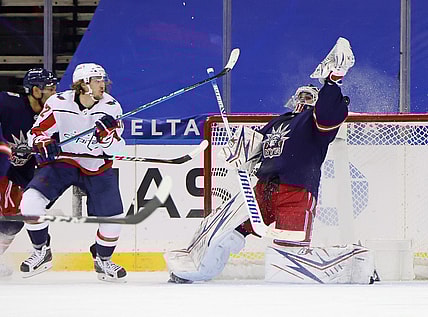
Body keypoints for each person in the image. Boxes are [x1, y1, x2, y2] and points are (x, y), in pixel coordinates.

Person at [167, 37, 376, 284]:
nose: (304, 101)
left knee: (289, 262)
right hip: (261, 191)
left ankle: (356, 263)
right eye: (302, 97)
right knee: (221, 231)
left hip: (295, 192)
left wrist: (332, 82)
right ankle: (197, 269)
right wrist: (237, 150)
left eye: (311, 97)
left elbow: (330, 114)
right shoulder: (278, 122)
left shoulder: (316, 123)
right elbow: (252, 151)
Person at [19, 63, 127, 282]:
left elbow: (117, 149)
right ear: (83, 84)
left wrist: (106, 137)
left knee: (114, 219)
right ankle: (42, 251)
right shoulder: (58, 103)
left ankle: (103, 261)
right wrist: (43, 142)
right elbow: (36, 133)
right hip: (64, 161)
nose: (102, 84)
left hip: (97, 166)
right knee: (30, 201)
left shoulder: (111, 107)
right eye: (97, 80)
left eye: (103, 79)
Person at [0, 68, 57, 277]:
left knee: (12, 221)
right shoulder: (9, 104)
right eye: (49, 89)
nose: (54, 93)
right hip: (3, 169)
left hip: (20, 175)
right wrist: (6, 147)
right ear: (35, 91)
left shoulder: (56, 112)